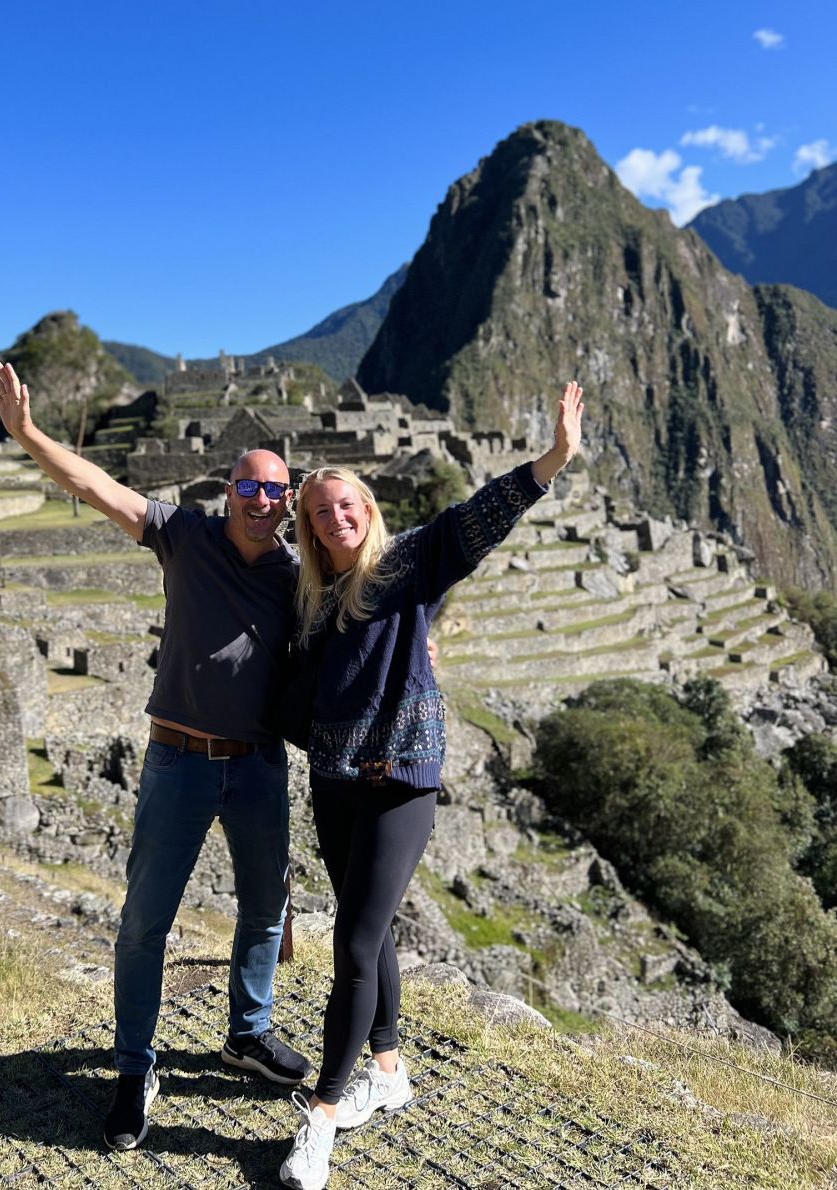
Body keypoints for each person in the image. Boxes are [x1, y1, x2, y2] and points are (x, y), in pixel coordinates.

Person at [0, 361, 311, 1153]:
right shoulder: (184, 535)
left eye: (276, 491)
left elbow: (368, 600)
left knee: (265, 906)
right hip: (179, 760)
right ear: (226, 492)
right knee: (144, 924)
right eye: (249, 488)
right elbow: (100, 488)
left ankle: (248, 1032)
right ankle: (136, 1067)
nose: (262, 502)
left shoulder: (297, 575)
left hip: (260, 764)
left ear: (289, 500)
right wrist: (28, 433)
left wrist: (425, 643)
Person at [278, 382, 585, 1190]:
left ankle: (321, 1117)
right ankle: (389, 1067)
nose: (333, 519)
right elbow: (293, 704)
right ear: (308, 527)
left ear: (365, 509)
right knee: (368, 936)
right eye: (318, 512)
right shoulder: (309, 606)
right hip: (335, 787)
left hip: (398, 785)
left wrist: (551, 460)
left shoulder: (406, 564)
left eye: (343, 506)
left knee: (348, 944)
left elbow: (478, 520)